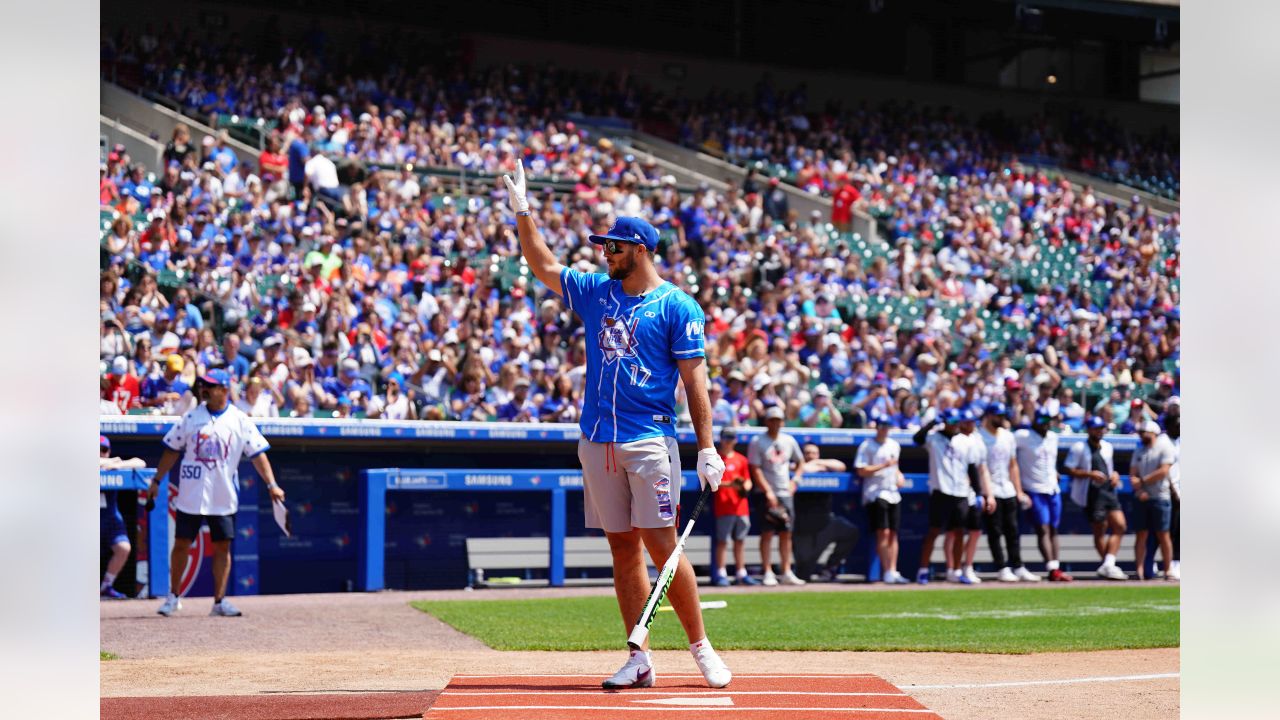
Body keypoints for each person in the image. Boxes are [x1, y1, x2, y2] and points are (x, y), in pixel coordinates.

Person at [505, 160, 731, 690]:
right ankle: (639, 657)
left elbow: (695, 380)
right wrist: (523, 212)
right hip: (597, 440)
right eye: (604, 246)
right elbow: (540, 263)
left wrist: (707, 448)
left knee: (663, 547)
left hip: (649, 439)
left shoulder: (677, 304)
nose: (605, 253)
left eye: (614, 247)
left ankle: (700, 646)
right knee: (622, 549)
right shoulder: (596, 292)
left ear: (640, 250)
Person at [146, 369, 285, 617]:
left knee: (222, 547)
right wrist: (157, 479)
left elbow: (257, 454)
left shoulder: (239, 419)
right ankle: (173, 596)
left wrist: (272, 484)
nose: (205, 390)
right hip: (191, 494)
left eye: (211, 386)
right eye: (204, 386)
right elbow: (171, 449)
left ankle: (219, 602)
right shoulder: (191, 417)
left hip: (223, 494)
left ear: (223, 389)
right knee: (181, 544)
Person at [914, 409, 991, 584]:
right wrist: (933, 423)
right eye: (952, 422)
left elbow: (972, 468)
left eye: (957, 422)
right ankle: (923, 570)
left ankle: (956, 571)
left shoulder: (965, 441)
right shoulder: (934, 438)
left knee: (959, 532)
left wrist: (978, 493)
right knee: (933, 531)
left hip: (961, 491)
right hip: (940, 490)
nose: (955, 425)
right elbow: (917, 439)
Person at [978, 403, 1038, 582]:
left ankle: (1018, 565)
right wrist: (987, 493)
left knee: (1012, 530)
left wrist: (1019, 491)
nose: (1001, 419)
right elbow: (980, 468)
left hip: (1007, 489)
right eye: (997, 415)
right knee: (995, 531)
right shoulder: (979, 437)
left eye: (1003, 415)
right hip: (990, 489)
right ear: (988, 416)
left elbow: (1013, 465)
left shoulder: (1008, 436)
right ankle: (1001, 567)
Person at [748, 406, 806, 586]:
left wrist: (795, 480)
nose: (775, 423)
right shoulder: (758, 441)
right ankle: (767, 571)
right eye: (772, 419)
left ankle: (787, 571)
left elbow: (801, 461)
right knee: (767, 532)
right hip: (766, 494)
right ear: (766, 421)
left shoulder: (789, 440)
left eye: (778, 420)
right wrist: (767, 491)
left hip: (785, 492)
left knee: (786, 533)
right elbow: (755, 468)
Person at [1065, 416, 1128, 580]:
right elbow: (1069, 469)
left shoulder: (1108, 446)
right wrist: (1089, 474)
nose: (1099, 431)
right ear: (1089, 429)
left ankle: (1108, 564)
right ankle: (1108, 565)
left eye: (1101, 428)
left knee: (1120, 525)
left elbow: (1110, 468)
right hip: (1091, 493)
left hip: (1109, 491)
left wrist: (1114, 475)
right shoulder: (1079, 447)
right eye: (1096, 428)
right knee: (1100, 529)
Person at [1015, 410, 1073, 582]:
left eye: (1047, 421)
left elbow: (1049, 460)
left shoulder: (1052, 437)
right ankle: (1051, 567)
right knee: (1043, 528)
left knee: (1054, 528)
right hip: (1033, 488)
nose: (1045, 424)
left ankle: (1055, 567)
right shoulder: (1023, 436)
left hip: (1052, 488)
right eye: (1042, 421)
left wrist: (1054, 471)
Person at [854, 413, 908, 584]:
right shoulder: (867, 446)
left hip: (893, 493)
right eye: (882, 426)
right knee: (883, 532)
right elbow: (861, 470)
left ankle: (893, 569)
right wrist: (884, 466)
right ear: (876, 427)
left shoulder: (894, 445)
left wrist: (899, 475)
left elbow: (896, 467)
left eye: (887, 426)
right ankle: (886, 571)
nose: (884, 429)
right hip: (875, 493)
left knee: (893, 533)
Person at [1129, 420, 1176, 581]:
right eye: (1141, 433)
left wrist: (1142, 482)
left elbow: (1163, 471)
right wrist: (1140, 490)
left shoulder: (1164, 448)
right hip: (1142, 497)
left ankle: (1168, 569)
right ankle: (1139, 570)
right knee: (1141, 534)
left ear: (1153, 433)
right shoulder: (1139, 451)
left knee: (1163, 534)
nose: (1142, 436)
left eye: (1144, 432)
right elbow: (1133, 473)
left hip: (1160, 496)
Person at [100, 435, 145, 599]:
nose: (100, 453)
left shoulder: (112, 464)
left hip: (109, 517)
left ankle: (105, 586)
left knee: (123, 548)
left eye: (104, 450)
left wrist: (116, 464)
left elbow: (141, 463)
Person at [711, 426, 757, 587]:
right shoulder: (716, 458)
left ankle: (741, 572)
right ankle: (721, 573)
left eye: (731, 438)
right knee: (723, 541)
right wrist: (730, 484)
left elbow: (748, 480)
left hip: (741, 505)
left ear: (735, 440)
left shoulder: (741, 459)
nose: (728, 441)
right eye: (726, 438)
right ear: (721, 439)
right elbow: (712, 482)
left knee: (740, 540)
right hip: (724, 505)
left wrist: (746, 487)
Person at [953, 408, 992, 584]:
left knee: (975, 530)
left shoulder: (978, 441)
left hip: (972, 491)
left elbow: (981, 469)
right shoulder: (955, 439)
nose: (970, 425)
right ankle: (952, 569)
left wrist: (987, 494)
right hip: (955, 490)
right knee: (954, 532)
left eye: (972, 422)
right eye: (967, 422)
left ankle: (967, 566)